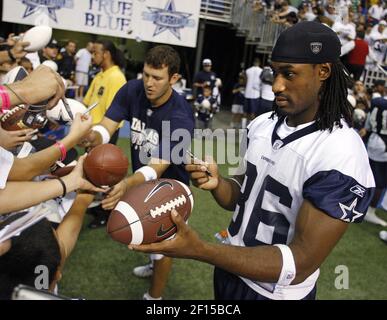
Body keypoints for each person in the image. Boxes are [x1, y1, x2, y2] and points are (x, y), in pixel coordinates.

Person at [128, 21, 375, 300]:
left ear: (323, 71)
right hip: (229, 271)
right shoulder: (262, 125)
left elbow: (301, 262)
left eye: (289, 74)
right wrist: (219, 183)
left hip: (274, 293)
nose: (277, 85)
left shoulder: (342, 152)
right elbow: (241, 196)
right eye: (275, 73)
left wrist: (202, 250)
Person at [81, 45, 194, 300]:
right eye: (146, 75)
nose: (149, 83)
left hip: (170, 187)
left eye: (157, 78)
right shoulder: (133, 89)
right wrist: (91, 135)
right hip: (144, 177)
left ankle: (153, 300)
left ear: (174, 79)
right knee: (149, 240)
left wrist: (128, 183)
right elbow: (108, 125)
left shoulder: (181, 115)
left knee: (162, 248)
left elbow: (158, 166)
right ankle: (153, 266)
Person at [82, 39, 126, 228]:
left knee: (106, 174)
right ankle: (99, 207)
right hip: (92, 133)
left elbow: (113, 115)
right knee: (93, 172)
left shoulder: (116, 77)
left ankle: (107, 213)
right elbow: (87, 103)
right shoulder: (100, 75)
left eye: (95, 52)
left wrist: (97, 134)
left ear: (106, 53)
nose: (93, 56)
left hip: (105, 133)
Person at [362, 86, 387, 227]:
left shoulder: (377, 100)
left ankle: (360, 202)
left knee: (370, 174)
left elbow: (369, 124)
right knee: (380, 180)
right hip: (384, 144)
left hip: (373, 139)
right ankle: (370, 211)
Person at [243, 57, 262, 128]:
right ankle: (250, 129)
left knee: (245, 112)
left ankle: (243, 128)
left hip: (247, 93)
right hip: (255, 94)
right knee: (253, 113)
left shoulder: (247, 70)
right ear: (259, 63)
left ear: (253, 63)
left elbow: (245, 82)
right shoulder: (261, 71)